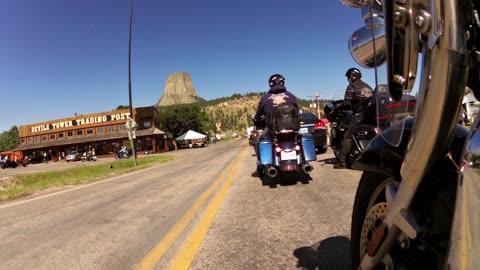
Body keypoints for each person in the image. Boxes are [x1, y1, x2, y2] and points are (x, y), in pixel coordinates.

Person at [251, 73, 299, 177]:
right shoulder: (290, 95)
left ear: (270, 84)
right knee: (298, 139)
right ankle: (302, 160)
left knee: (261, 141)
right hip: (292, 127)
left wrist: (257, 118)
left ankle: (260, 167)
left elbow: (258, 113)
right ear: (282, 83)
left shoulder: (265, 98)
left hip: (273, 128)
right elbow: (297, 108)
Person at [333, 67, 374, 169]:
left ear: (352, 76)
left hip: (361, 115)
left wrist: (338, 105)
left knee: (347, 135)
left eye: (348, 78)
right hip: (372, 114)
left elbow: (347, 102)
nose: (348, 80)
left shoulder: (352, 86)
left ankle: (342, 162)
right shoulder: (368, 86)